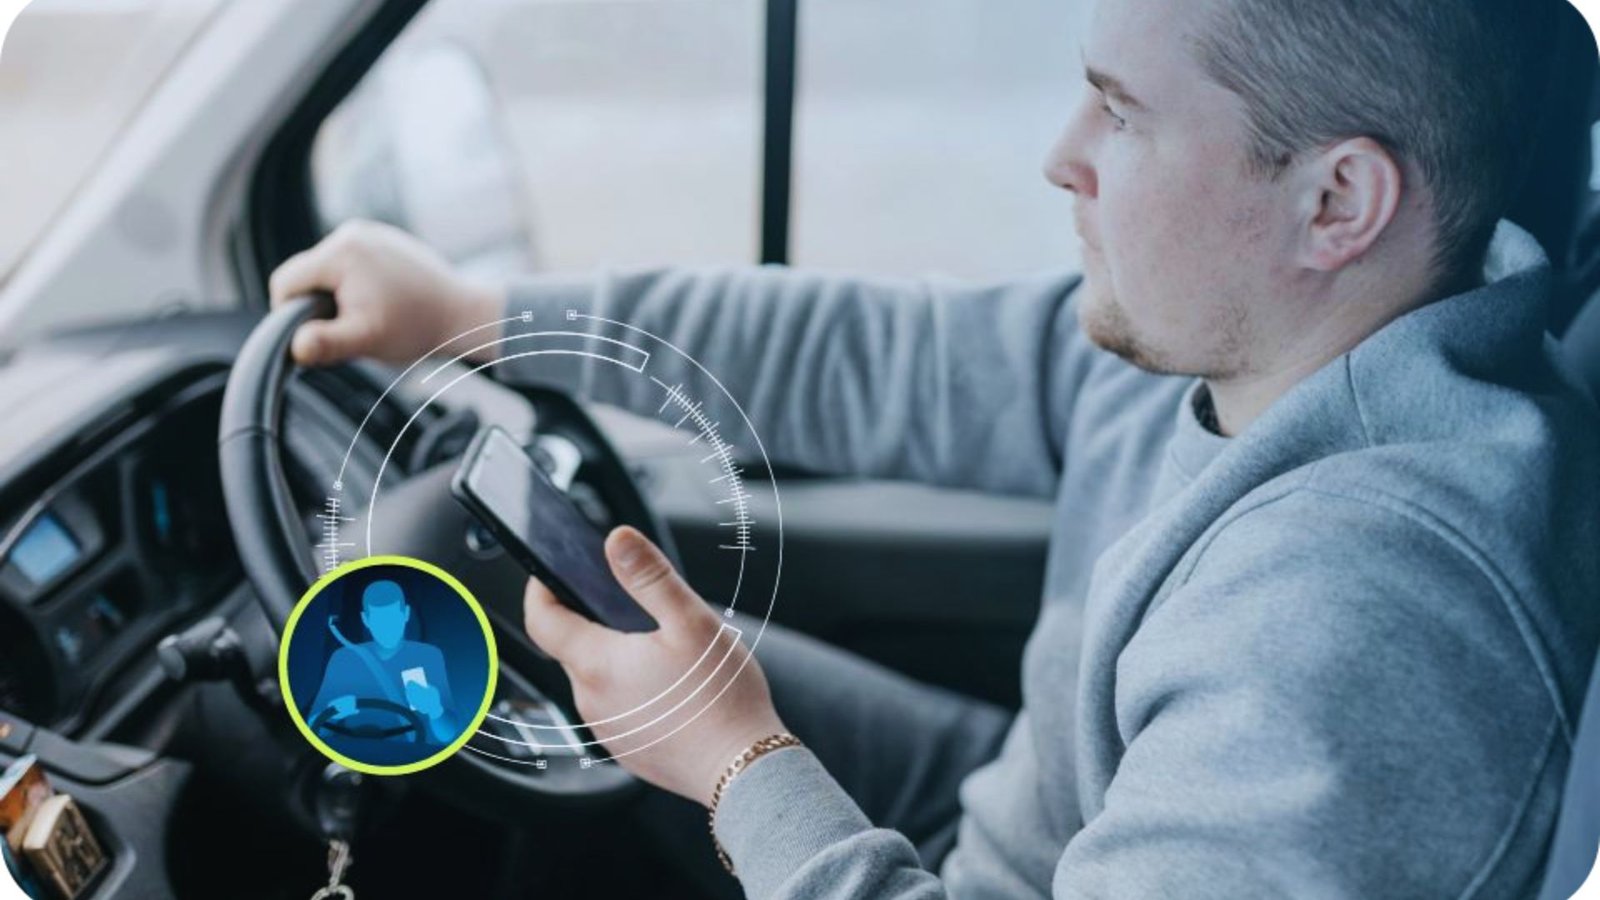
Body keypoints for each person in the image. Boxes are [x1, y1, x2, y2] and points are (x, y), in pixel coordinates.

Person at [267, 0, 1600, 895]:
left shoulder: (1360, 634)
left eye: (1122, 114)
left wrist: (738, 764)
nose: (1061, 157)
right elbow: (877, 355)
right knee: (463, 564)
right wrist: (472, 316)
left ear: (1336, 202)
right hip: (1019, 810)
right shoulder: (1246, 339)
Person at [307, 580, 460, 747]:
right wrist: (334, 712)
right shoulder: (344, 660)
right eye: (379, 621)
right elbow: (314, 729)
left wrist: (435, 710)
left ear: (406, 614)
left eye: (392, 619)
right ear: (366, 619)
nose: (387, 629)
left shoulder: (428, 657)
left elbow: (448, 734)